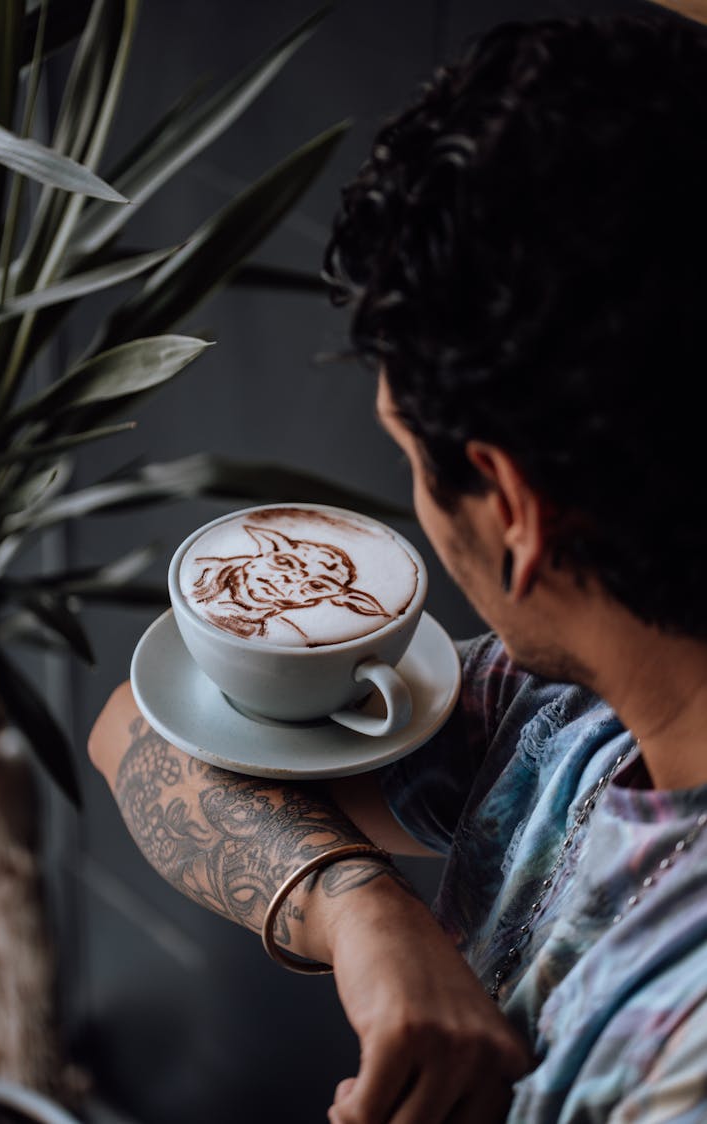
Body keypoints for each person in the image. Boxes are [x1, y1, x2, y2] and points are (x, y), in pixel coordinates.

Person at [88, 7, 707, 1122]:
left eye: (409, 456)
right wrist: (366, 911)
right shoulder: (571, 712)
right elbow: (138, 726)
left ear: (512, 505)